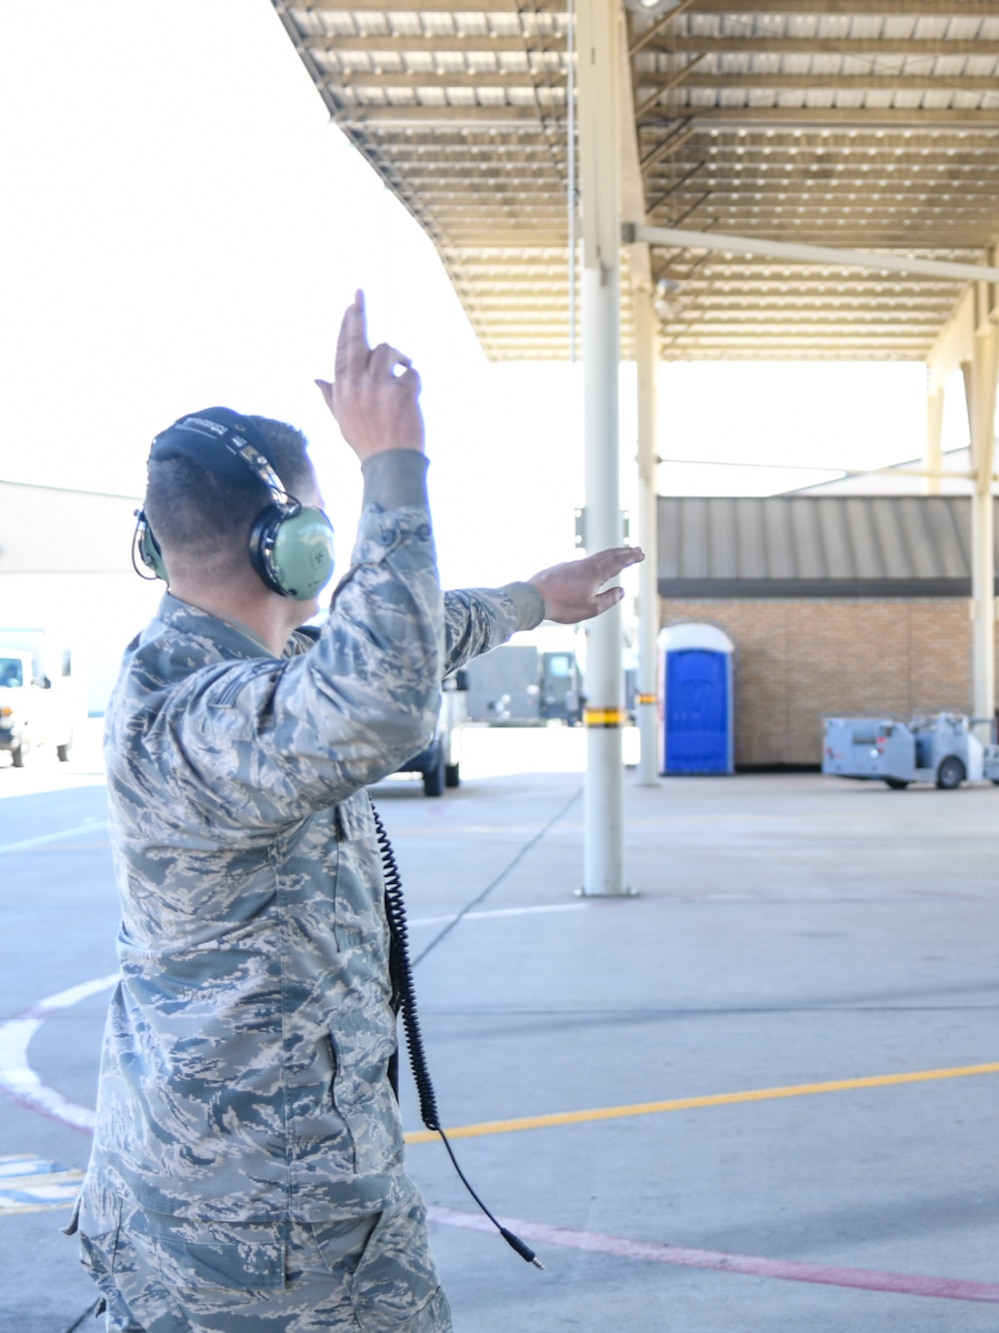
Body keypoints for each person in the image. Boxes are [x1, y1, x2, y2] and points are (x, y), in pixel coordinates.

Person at [70, 292, 643, 1331]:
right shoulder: (192, 712)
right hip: (264, 1235)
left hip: (266, 1192)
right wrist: (394, 465)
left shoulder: (237, 668)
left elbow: (376, 651)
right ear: (289, 543)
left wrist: (526, 599)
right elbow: (378, 698)